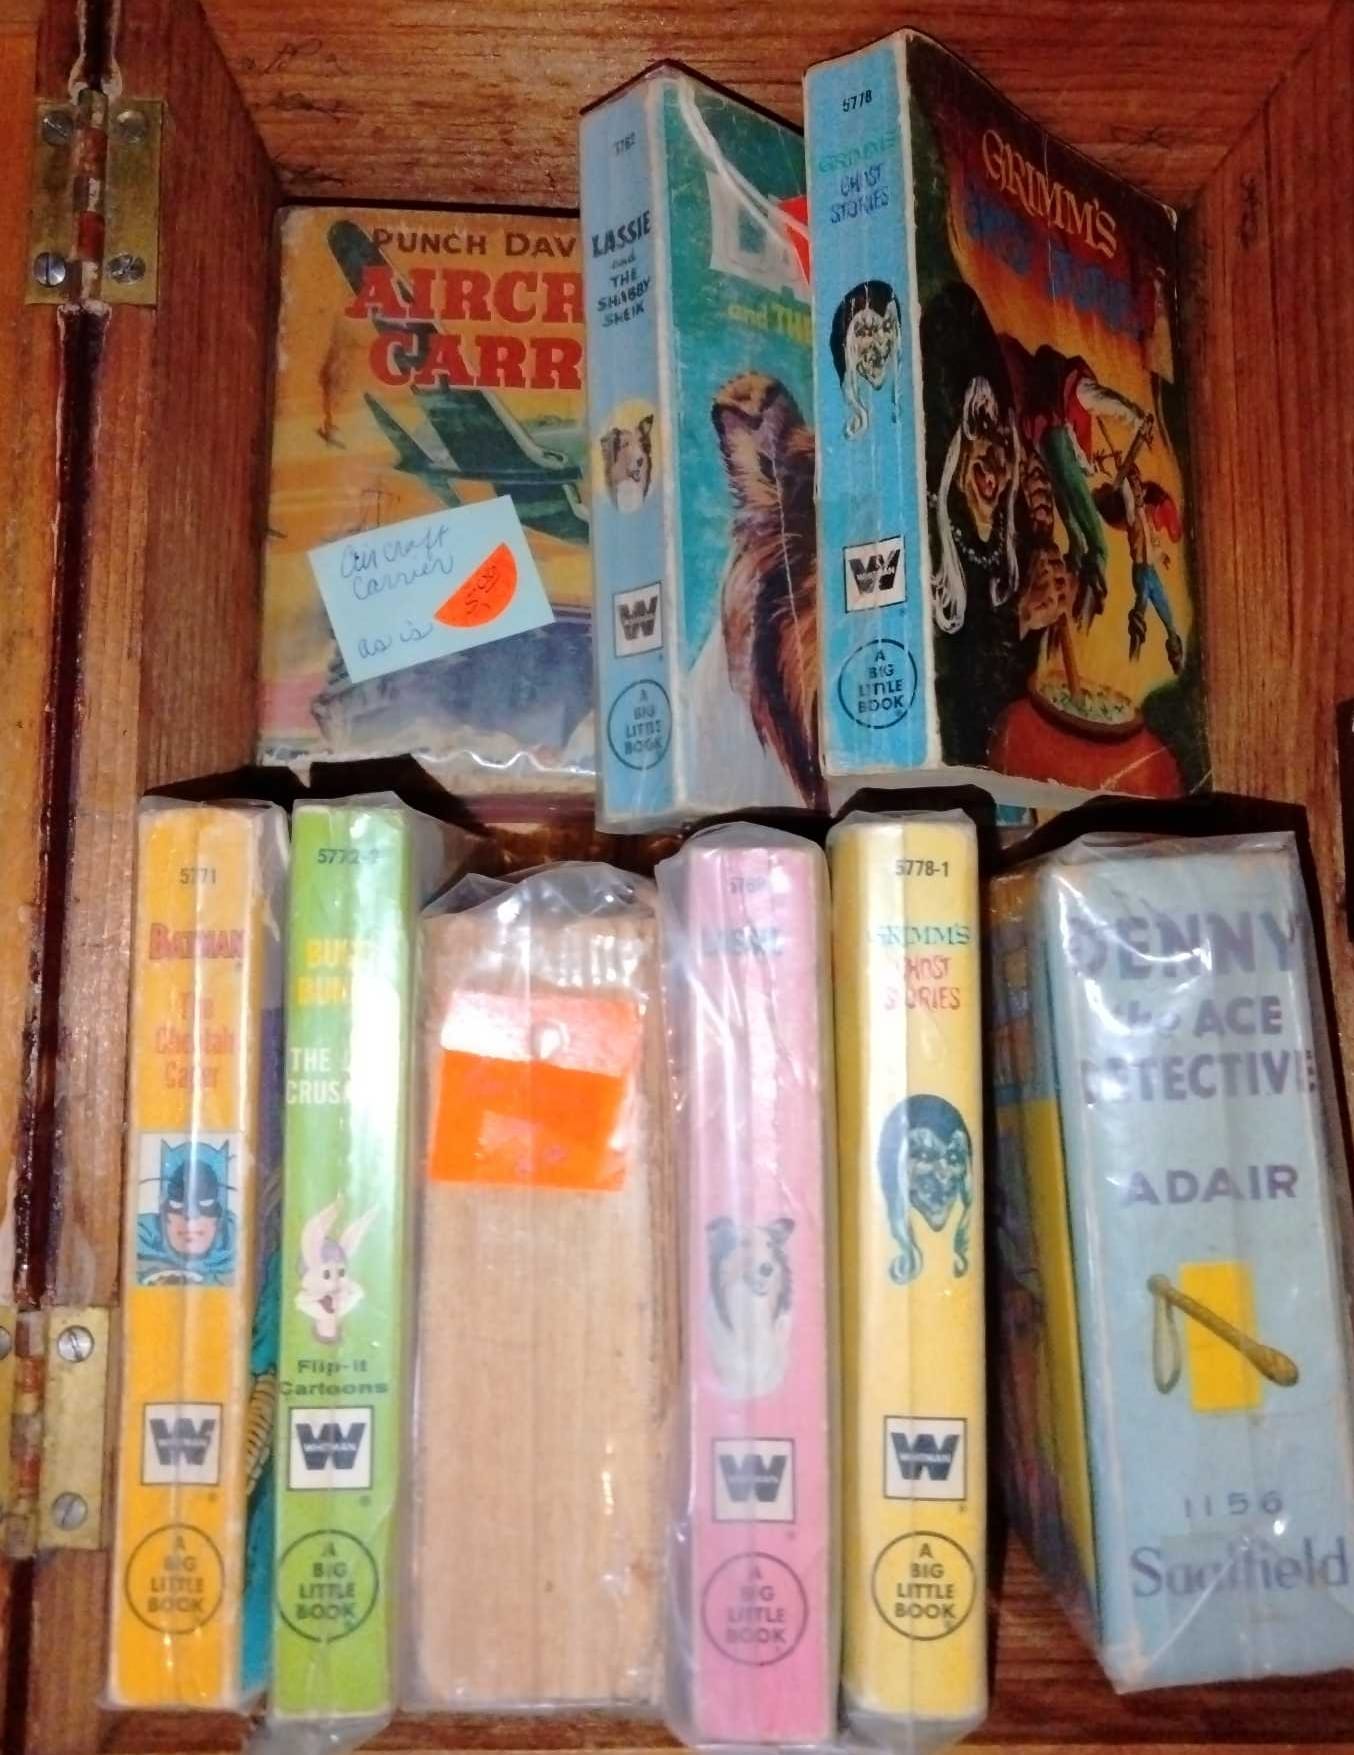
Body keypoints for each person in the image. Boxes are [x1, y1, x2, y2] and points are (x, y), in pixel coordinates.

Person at [137, 1145, 237, 1285]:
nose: (190, 1216)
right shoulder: (139, 1241)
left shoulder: (241, 1250)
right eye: (176, 1202)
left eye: (206, 1201)